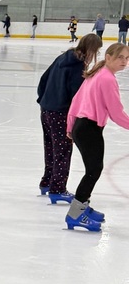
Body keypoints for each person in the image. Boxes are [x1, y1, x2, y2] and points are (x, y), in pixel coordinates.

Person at [65, 42, 129, 231]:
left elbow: (76, 100)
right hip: (88, 129)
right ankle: (75, 214)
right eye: (120, 57)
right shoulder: (107, 78)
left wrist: (71, 127)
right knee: (94, 171)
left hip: (81, 127)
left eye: (127, 58)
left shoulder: (97, 73)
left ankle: (82, 206)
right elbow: (117, 114)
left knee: (93, 169)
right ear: (108, 57)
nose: (124, 62)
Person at [37, 33, 102, 204]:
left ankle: (47, 182)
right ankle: (57, 188)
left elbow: (43, 79)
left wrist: (43, 100)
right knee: (63, 150)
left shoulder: (62, 57)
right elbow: (77, 95)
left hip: (46, 109)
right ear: (91, 49)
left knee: (50, 147)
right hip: (60, 113)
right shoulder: (78, 66)